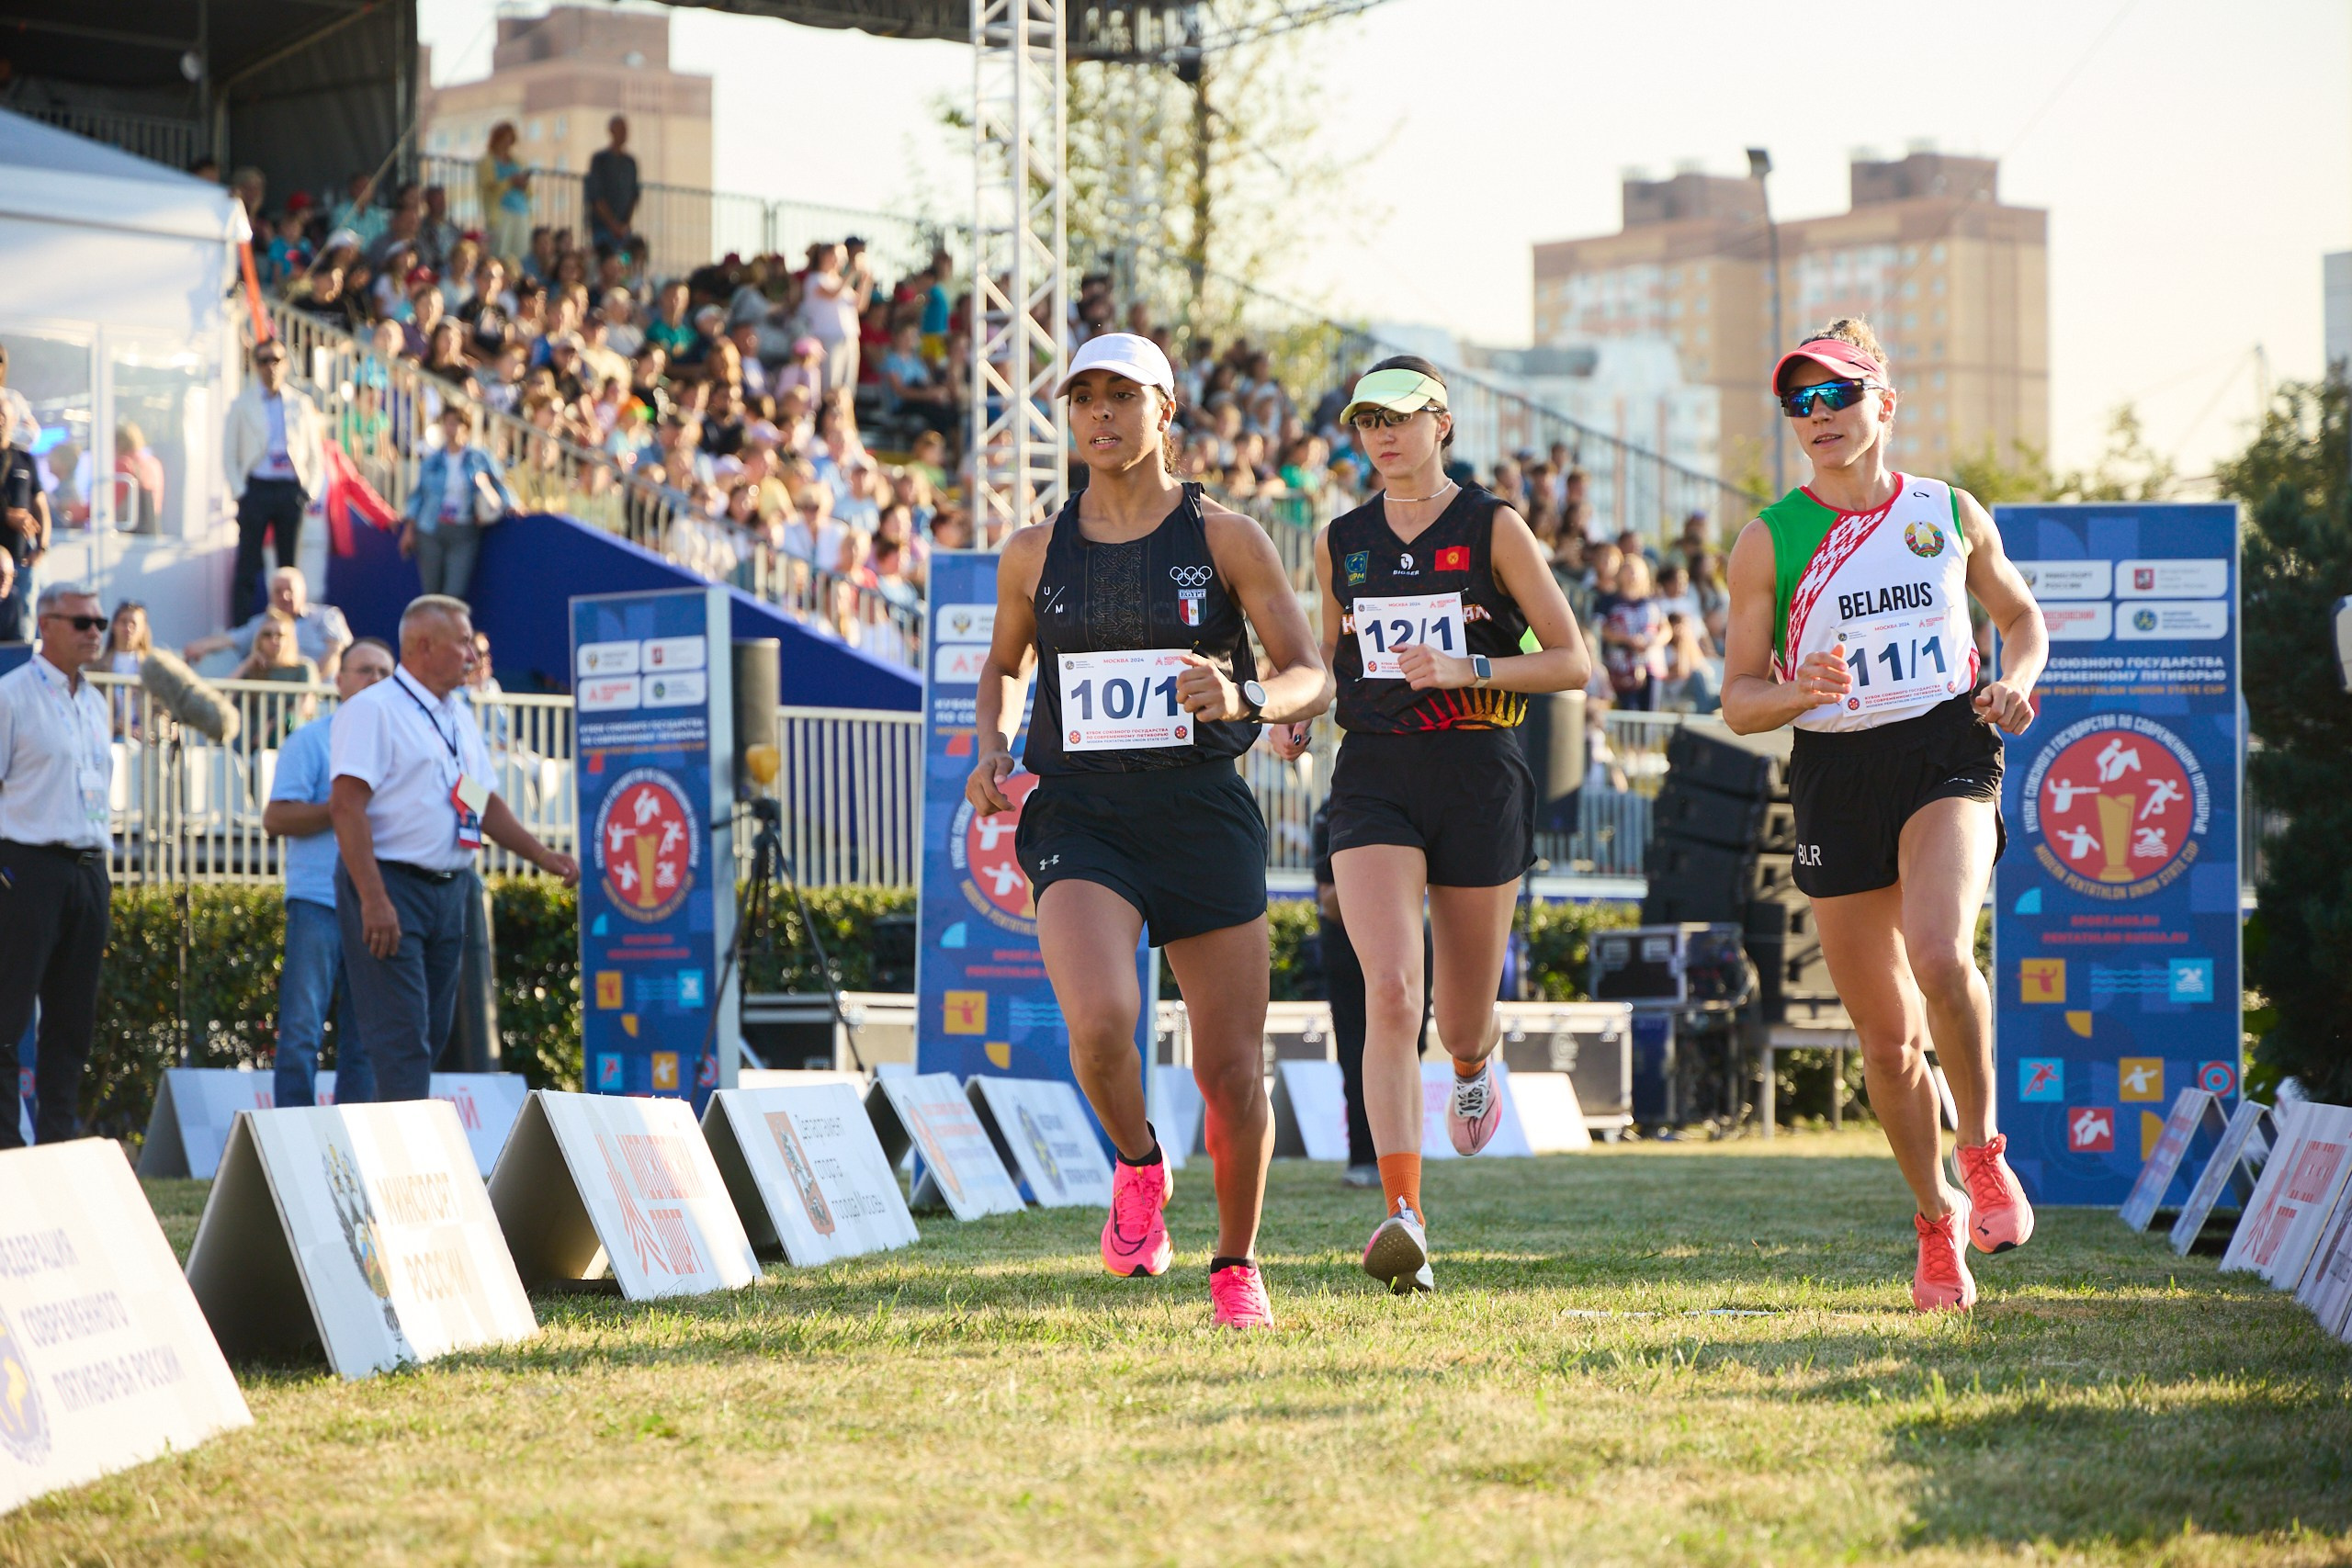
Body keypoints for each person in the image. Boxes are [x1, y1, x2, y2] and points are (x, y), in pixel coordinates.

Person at [965, 333, 1331, 1329]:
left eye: (1120, 397)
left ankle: (1235, 1267)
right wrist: (992, 742)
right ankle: (1136, 1164)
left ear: (1163, 411)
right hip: (1082, 816)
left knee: (1227, 1070)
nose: (1098, 415)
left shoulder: (1228, 538)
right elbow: (1003, 666)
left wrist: (1245, 689)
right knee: (1097, 1025)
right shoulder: (1033, 551)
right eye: (1082, 397)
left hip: (1201, 813)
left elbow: (1311, 672)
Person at [1720, 317, 2046, 1313]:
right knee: (1885, 1037)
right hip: (1834, 771)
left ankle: (1982, 1148)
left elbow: (2018, 619)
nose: (1817, 416)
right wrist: (1800, 690)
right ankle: (1933, 1219)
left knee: (1942, 953)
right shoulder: (1767, 539)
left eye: (1838, 396)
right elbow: (1738, 700)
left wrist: (2018, 681)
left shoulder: (1947, 512)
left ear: (1883, 405)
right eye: (1799, 402)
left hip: (1944, 747)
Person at [1295, 355, 1590, 1294]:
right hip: (1374, 778)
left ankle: (1471, 1059)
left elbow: (1572, 661)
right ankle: (1403, 1213)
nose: (1382, 434)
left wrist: (1474, 672)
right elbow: (1328, 653)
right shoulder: (1341, 537)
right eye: (1366, 421)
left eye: (1400, 417)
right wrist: (1295, 709)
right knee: (1390, 989)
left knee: (1458, 1016)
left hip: (1478, 776)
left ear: (1441, 423)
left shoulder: (1493, 526)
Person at [329, 596, 577, 1100]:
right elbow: (346, 807)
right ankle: (402, 1166)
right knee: (402, 1039)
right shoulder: (374, 710)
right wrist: (373, 899)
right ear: (423, 646)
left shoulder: (458, 714)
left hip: (450, 888)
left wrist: (542, 855)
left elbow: (478, 800)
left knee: (431, 1033)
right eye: (462, 642)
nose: (472, 654)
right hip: (390, 882)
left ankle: (393, 1143)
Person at [0, 585, 113, 1147]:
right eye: (83, 621)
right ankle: (4, 1145)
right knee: (7, 1013)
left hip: (88, 868)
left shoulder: (96, 702)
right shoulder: (11, 696)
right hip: (26, 865)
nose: (96, 631)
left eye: (101, 621)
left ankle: (58, 1143)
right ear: (46, 623)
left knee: (72, 1020)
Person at [265, 637, 395, 1108]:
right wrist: (343, 809)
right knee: (301, 1031)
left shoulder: (402, 744)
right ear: (338, 681)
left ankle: (354, 1147)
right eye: (364, 671)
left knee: (365, 1040)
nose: (375, 680)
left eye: (384, 673)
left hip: (379, 905)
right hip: (319, 901)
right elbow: (275, 818)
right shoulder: (310, 740)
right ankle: (291, 1146)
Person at [1310, 800, 1432, 1190]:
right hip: (1347, 945)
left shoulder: (1419, 800)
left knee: (1413, 1044)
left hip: (1410, 938)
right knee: (1355, 1048)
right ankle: (1365, 1156)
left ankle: (1404, 1154)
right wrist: (1377, 895)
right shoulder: (1332, 813)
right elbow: (1329, 901)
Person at [223, 340, 326, 625]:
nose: (271, 366)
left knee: (288, 567)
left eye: (277, 360)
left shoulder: (300, 403)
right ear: (255, 365)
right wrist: (241, 492)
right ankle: (240, 629)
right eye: (264, 360)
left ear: (285, 364)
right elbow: (229, 454)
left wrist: (309, 490)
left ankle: (288, 628)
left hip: (289, 489)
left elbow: (315, 454)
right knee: (247, 565)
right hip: (256, 487)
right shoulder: (242, 404)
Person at [402, 406, 515, 602]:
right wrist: (409, 529)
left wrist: (511, 504)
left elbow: (499, 484)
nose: (450, 429)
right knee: (431, 594)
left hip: (464, 531)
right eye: (446, 423)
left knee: (454, 593)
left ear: (466, 427)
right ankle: (432, 632)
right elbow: (419, 496)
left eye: (455, 423)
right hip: (431, 530)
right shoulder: (432, 461)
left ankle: (448, 632)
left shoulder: (479, 457)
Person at [185, 567, 353, 682]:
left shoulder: (326, 616)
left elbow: (336, 652)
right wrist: (199, 646)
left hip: (321, 699)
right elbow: (231, 639)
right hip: (274, 704)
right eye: (278, 591)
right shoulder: (262, 623)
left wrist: (309, 686)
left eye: (290, 590)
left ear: (303, 591)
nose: (284, 596)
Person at [0, 398, 48, 642]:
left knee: (25, 624)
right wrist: (6, 515)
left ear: (13, 421)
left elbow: (41, 506)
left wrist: (42, 546)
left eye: (4, 415)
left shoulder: (25, 459)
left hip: (22, 563)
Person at [584, 116, 640, 258]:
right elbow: (596, 195)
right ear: (611, 131)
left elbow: (634, 194)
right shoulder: (599, 160)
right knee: (603, 262)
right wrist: (612, 224)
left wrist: (626, 224)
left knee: (624, 263)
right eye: (620, 129)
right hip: (602, 228)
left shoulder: (631, 162)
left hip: (624, 231)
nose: (624, 133)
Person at [478, 123, 533, 265]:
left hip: (521, 211)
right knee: (500, 253)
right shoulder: (487, 162)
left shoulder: (518, 161)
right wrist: (510, 182)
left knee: (520, 254)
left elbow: (529, 192)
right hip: (500, 213)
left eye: (510, 140)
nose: (507, 144)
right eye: (504, 139)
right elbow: (489, 188)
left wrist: (524, 184)